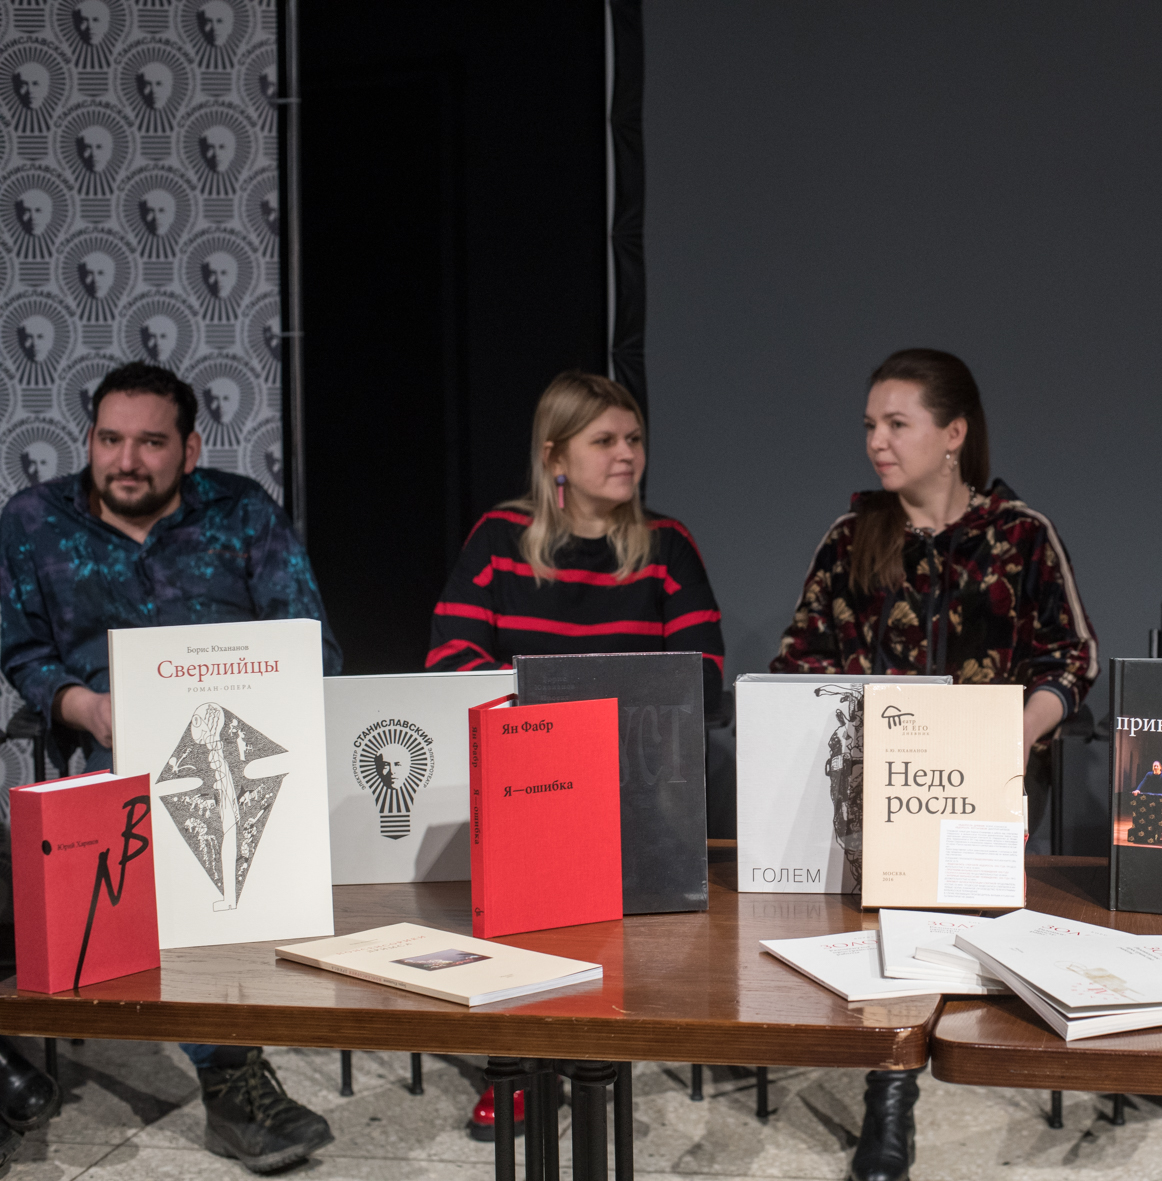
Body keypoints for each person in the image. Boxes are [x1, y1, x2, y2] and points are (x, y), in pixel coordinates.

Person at [0, 361, 341, 1174]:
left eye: (151, 443)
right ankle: (231, 1076)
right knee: (153, 799)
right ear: (89, 438)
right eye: (109, 439)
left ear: (189, 450)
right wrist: (85, 705)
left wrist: (264, 703)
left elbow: (310, 640)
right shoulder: (34, 521)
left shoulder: (243, 512)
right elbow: (23, 650)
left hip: (248, 727)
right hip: (112, 740)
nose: (126, 461)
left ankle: (255, 1042)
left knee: (238, 784)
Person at [771, 347, 1097, 1181]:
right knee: (890, 902)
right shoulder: (852, 537)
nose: (876, 442)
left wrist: (1017, 733)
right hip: (874, 777)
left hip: (987, 775)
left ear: (953, 433)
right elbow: (799, 659)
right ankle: (891, 1092)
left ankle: (920, 1072)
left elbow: (1071, 658)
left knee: (938, 904)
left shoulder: (1021, 534)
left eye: (897, 423)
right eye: (869, 426)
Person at [428, 370, 725, 1136]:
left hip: (634, 780)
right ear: (555, 454)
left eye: (635, 439)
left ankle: (583, 1046)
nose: (627, 454)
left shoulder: (666, 546)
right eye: (606, 441)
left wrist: (594, 724)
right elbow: (451, 661)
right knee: (526, 847)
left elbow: (703, 676)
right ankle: (519, 1059)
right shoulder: (499, 540)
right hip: (529, 773)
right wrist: (549, 730)